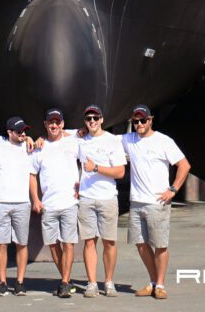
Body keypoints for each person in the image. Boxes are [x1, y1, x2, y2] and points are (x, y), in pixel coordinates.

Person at [121, 104, 190, 300]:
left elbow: (184, 165)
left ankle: (160, 284)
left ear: (150, 120)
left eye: (143, 120)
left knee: (160, 245)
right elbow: (103, 138)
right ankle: (152, 282)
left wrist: (173, 189)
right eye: (136, 121)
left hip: (157, 202)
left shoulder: (164, 141)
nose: (139, 124)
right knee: (141, 244)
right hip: (136, 202)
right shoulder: (129, 140)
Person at [29, 108, 81, 299]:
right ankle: (66, 279)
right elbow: (32, 176)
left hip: (69, 202)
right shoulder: (39, 148)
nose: (54, 125)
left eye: (57, 122)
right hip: (48, 205)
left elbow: (90, 147)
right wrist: (36, 199)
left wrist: (83, 185)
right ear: (45, 125)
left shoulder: (73, 141)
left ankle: (65, 282)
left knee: (68, 243)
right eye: (51, 122)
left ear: (63, 124)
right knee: (52, 245)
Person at [77, 104, 126, 298]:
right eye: (88, 119)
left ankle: (108, 281)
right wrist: (35, 138)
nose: (92, 122)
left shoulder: (112, 141)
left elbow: (120, 171)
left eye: (95, 118)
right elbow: (57, 134)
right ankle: (91, 283)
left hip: (107, 197)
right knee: (89, 242)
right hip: (87, 197)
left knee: (109, 242)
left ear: (102, 120)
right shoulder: (79, 139)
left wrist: (96, 168)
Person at [0, 116, 33, 296]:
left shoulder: (30, 148)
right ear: (9, 132)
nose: (23, 134)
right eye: (19, 131)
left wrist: (32, 139)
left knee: (22, 243)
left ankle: (20, 282)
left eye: (24, 131)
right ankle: (2, 282)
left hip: (22, 202)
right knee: (1, 243)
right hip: (1, 202)